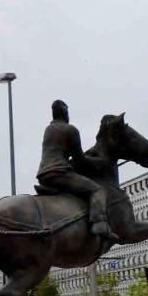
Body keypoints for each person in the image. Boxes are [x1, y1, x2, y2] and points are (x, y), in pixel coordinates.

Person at [36, 99, 116, 240]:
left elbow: (59, 153)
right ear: (65, 112)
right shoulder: (71, 130)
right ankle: (100, 224)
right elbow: (80, 160)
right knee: (97, 190)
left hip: (44, 174)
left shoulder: (48, 129)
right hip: (59, 172)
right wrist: (100, 162)